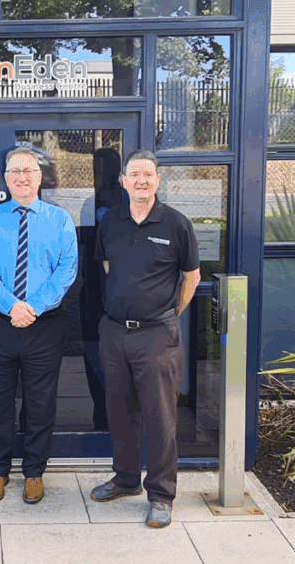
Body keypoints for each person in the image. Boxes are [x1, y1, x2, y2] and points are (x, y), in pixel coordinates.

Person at [90, 150, 200, 528]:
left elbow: (192, 278)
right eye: (134, 174)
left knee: (160, 416)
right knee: (118, 411)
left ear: (157, 181)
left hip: (157, 334)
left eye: (148, 174)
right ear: (122, 180)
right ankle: (124, 480)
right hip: (115, 332)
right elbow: (107, 268)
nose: (141, 180)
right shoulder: (111, 223)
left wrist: (168, 316)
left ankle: (161, 494)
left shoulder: (176, 224)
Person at [0, 146, 78, 505]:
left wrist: (31, 306)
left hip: (44, 325)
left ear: (39, 177)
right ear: (6, 178)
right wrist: (11, 306)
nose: (21, 177)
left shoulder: (60, 219)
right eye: (14, 171)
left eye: (28, 170)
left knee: (40, 402)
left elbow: (66, 271)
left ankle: (34, 472)